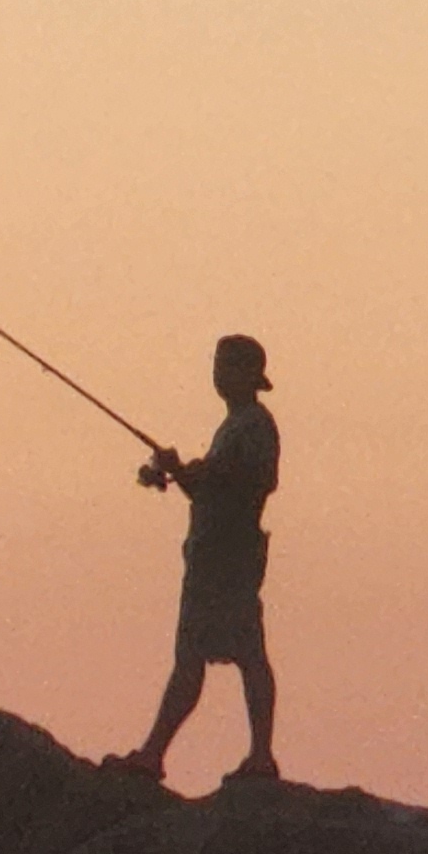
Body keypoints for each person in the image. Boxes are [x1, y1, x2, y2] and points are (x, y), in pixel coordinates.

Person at [113, 334, 281, 786]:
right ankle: (161, 753)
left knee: (238, 655)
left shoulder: (254, 425)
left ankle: (251, 756)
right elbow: (210, 492)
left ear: (249, 375)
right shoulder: (234, 425)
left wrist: (188, 470)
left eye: (228, 365)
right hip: (215, 556)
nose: (218, 373)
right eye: (217, 365)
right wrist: (179, 472)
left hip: (228, 559)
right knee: (209, 655)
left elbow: (250, 485)